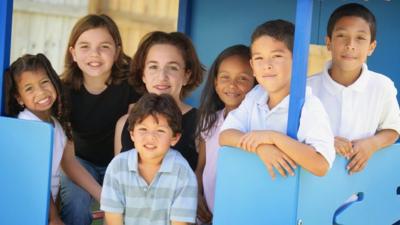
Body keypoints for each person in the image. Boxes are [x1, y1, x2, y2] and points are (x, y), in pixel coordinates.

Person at [219, 20, 336, 178]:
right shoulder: (255, 95)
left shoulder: (309, 105)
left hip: (287, 198)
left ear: (298, 62)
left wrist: (273, 137)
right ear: (252, 66)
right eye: (259, 58)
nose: (267, 65)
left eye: (277, 56)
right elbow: (225, 135)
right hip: (251, 193)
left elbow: (321, 165)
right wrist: (261, 147)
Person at [61, 14, 140, 225]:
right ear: (73, 53)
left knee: (131, 206)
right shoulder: (64, 90)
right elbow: (67, 161)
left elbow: (134, 137)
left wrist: (118, 189)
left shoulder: (131, 83)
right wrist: (103, 195)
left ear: (117, 51)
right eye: (85, 46)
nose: (94, 54)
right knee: (76, 201)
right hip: (80, 162)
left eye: (104, 46)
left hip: (122, 161)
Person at [4, 53, 101, 225]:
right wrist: (54, 217)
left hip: (43, 208)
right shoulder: (27, 126)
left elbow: (68, 164)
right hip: (27, 207)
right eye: (29, 88)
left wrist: (102, 195)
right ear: (19, 98)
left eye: (44, 82)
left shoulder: (57, 123)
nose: (41, 92)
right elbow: (36, 179)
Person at [308, 3, 400, 174]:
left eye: (360, 38)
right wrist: (325, 142)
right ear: (329, 42)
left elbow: (392, 129)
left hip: (361, 188)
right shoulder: (307, 88)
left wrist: (371, 144)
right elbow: (295, 134)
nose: (350, 44)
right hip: (314, 183)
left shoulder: (382, 86)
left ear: (371, 47)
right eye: (342, 35)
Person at [101, 93, 198, 225]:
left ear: (175, 138)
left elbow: (179, 223)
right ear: (132, 134)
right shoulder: (117, 167)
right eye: (143, 129)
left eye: (160, 131)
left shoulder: (183, 173)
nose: (150, 137)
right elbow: (113, 220)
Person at [114, 31, 204, 171]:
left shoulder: (202, 124)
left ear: (187, 75)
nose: (162, 76)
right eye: (153, 67)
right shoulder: (123, 124)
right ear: (143, 74)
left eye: (172, 68)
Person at [195, 45, 256, 224]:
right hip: (206, 214)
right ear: (215, 82)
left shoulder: (256, 126)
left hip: (238, 215)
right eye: (225, 77)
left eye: (242, 78)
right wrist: (197, 196)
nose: (231, 85)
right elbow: (201, 167)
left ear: (256, 82)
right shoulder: (209, 121)